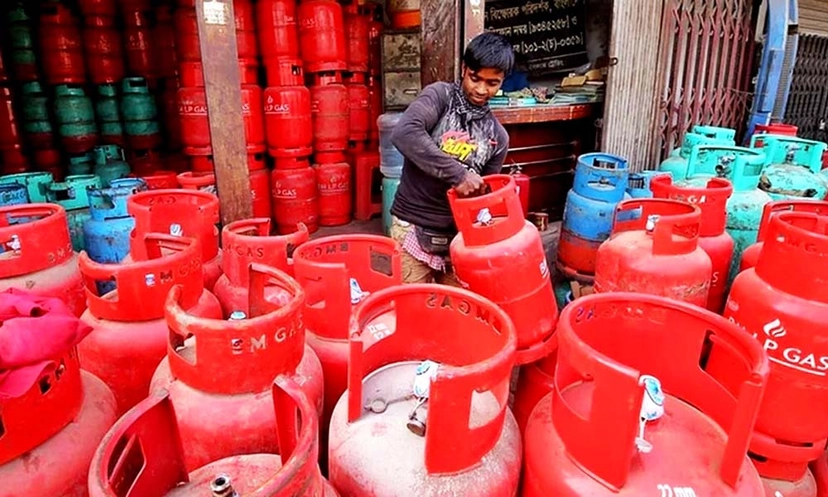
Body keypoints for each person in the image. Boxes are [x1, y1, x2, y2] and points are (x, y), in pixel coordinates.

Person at [388, 32, 515, 286]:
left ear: (502, 82)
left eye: (492, 83)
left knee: (456, 314)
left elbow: (483, 197)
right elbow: (405, 133)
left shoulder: (497, 137)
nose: (481, 89)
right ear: (464, 69)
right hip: (413, 225)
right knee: (411, 311)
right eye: (475, 78)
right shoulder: (440, 97)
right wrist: (458, 174)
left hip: (460, 239)